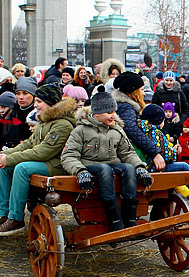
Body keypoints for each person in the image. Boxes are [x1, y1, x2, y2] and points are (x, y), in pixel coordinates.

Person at [0, 84, 76, 236]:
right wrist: (4, 154)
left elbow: (43, 152)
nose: (35, 105)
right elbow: (29, 143)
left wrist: (11, 158)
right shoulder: (45, 122)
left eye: (39, 101)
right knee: (5, 167)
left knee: (22, 168)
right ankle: (4, 213)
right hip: (46, 163)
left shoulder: (63, 125)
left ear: (50, 102)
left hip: (58, 165)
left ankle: (16, 218)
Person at [61, 87, 151, 231]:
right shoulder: (81, 130)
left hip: (113, 164)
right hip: (91, 165)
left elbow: (128, 153)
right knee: (104, 169)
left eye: (114, 112)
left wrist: (139, 167)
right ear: (96, 114)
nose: (113, 116)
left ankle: (129, 218)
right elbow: (69, 155)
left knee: (128, 168)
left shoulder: (117, 130)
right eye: (109, 112)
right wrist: (80, 170)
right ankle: (115, 220)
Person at [110, 72, 167, 175]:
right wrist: (155, 153)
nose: (144, 93)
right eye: (141, 90)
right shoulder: (126, 108)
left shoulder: (123, 106)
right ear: (133, 92)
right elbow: (132, 130)